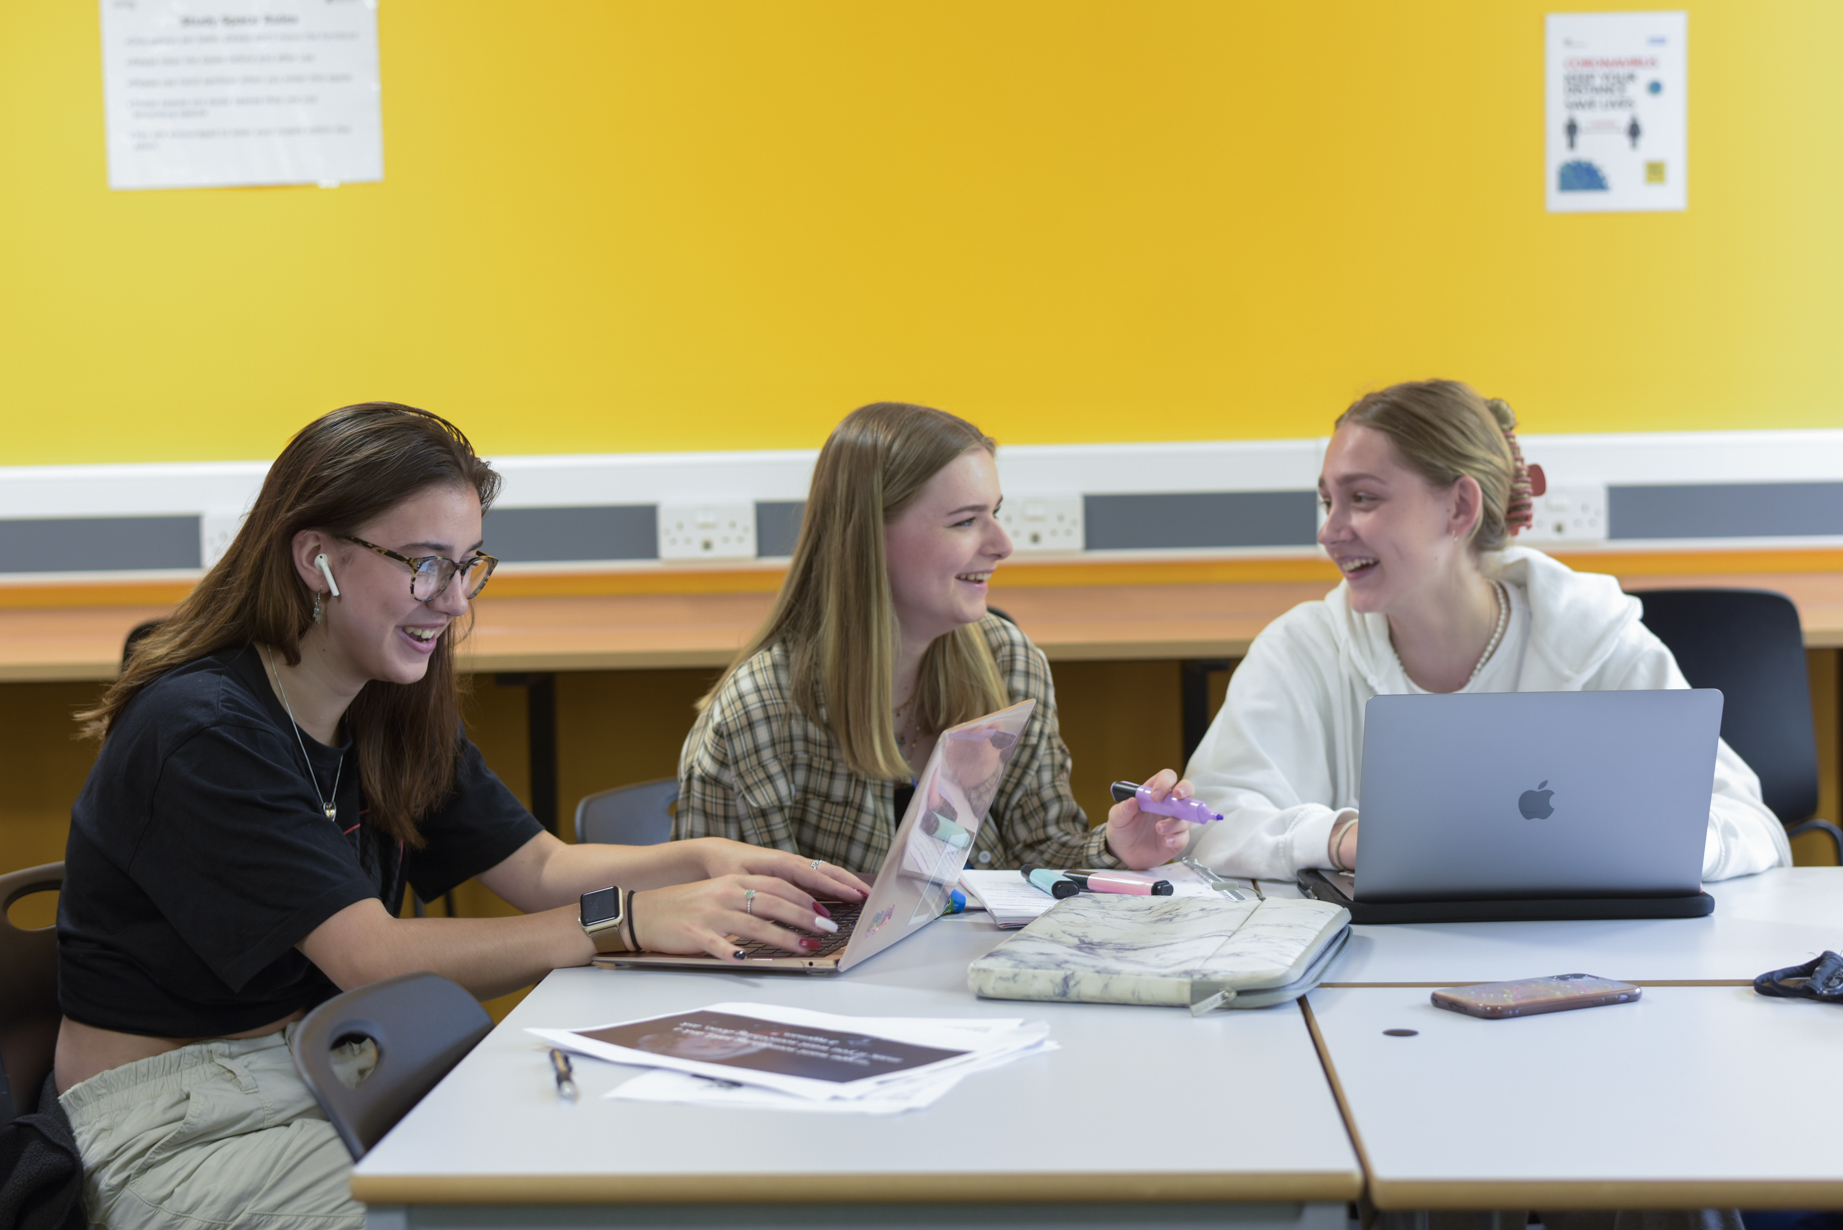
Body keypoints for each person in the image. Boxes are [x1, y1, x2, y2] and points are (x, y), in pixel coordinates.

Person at [54, 403, 870, 1230]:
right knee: (521, 1206)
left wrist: (703, 861)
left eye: (465, 566)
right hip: (181, 1124)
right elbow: (372, 957)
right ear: (317, 560)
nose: (450, 603)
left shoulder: (385, 702)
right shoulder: (203, 729)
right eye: (422, 564)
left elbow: (538, 867)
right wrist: (622, 922)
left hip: (334, 1064)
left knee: (628, 1159)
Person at [1184, 379, 1791, 882]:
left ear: (1460, 508)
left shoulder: (1593, 640)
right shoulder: (1302, 650)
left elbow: (1751, 827)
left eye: (1363, 499)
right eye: (1328, 503)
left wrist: (1641, 841)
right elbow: (1208, 823)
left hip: (1585, 964)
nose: (1331, 530)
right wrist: (1341, 836)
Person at [675, 401, 1194, 873]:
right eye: (966, 521)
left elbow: (1040, 854)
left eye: (997, 514)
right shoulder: (758, 714)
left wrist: (1117, 848)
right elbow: (726, 930)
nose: (1003, 544)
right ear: (869, 539)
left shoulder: (1009, 662)